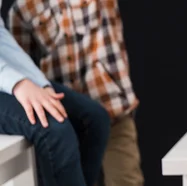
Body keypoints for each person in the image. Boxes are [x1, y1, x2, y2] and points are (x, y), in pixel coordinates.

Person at [7, 0, 143, 185]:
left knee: (125, 178)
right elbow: (21, 58)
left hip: (114, 105)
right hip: (68, 112)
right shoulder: (24, 8)